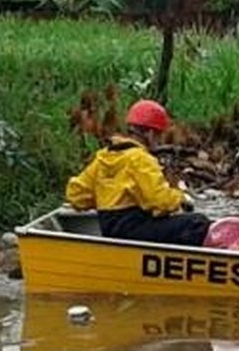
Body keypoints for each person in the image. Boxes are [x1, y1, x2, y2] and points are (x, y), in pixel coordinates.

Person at [66, 99, 210, 246]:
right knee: (197, 223)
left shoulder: (103, 157)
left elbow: (76, 196)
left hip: (110, 230)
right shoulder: (141, 159)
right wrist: (180, 199)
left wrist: (106, 195)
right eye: (158, 135)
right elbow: (159, 200)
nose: (159, 140)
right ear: (149, 133)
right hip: (133, 233)